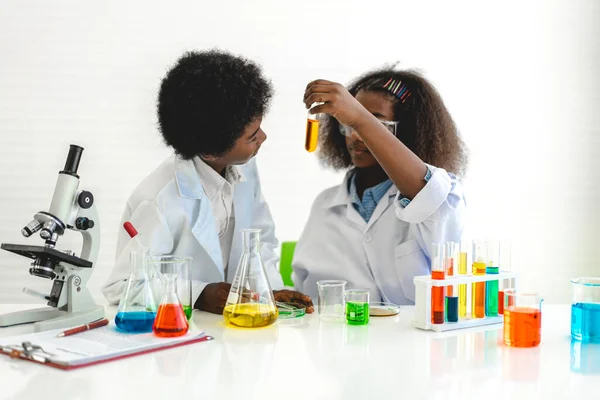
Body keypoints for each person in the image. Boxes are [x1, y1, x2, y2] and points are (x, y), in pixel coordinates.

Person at [102, 49, 313, 314]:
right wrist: (198, 294)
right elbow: (122, 287)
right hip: (183, 339)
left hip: (236, 335)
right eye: (252, 136)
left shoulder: (244, 168)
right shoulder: (159, 198)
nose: (264, 138)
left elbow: (261, 242)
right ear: (211, 151)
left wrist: (266, 292)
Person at [292, 68, 468, 305]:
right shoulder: (325, 204)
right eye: (348, 123)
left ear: (409, 131)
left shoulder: (444, 194)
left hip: (413, 340)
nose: (355, 135)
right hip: (339, 338)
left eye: (376, 124)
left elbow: (429, 196)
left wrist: (360, 118)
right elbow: (304, 288)